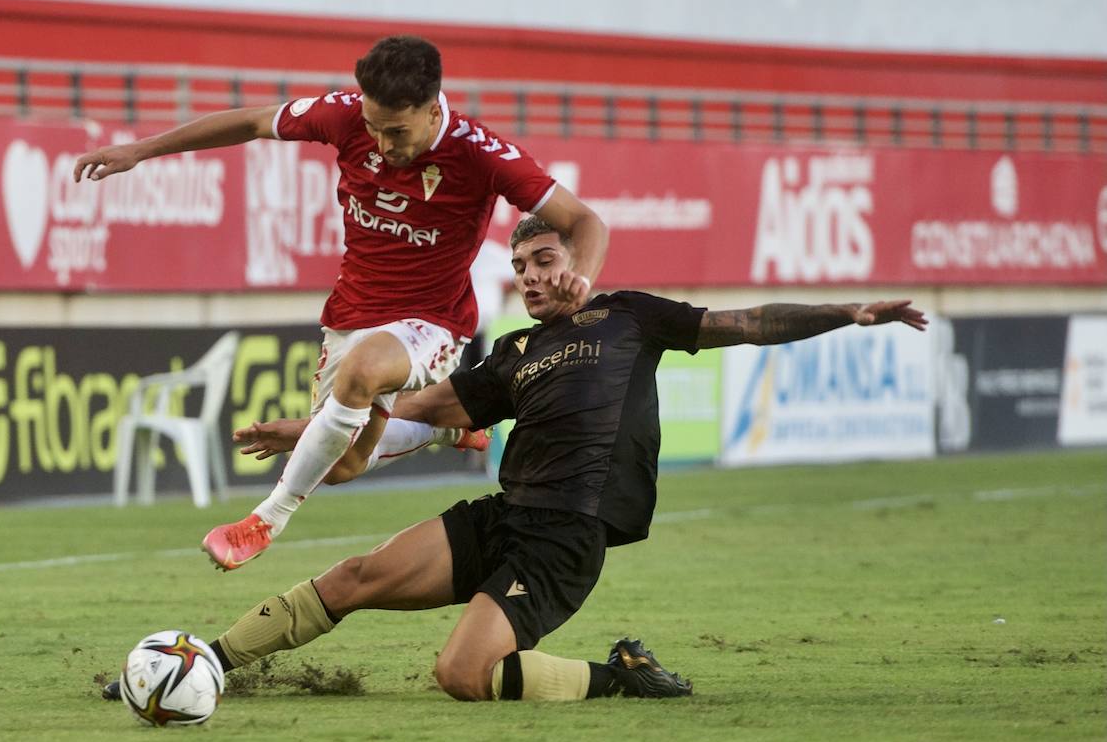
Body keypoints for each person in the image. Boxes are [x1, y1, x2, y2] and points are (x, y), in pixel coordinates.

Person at [144, 215, 928, 705]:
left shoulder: (629, 317)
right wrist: (311, 427)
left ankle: (620, 675)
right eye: (521, 269)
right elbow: (418, 409)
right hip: (505, 516)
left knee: (460, 675)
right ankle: (207, 665)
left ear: (573, 259)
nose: (533, 278)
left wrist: (849, 314)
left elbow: (747, 321)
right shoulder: (515, 354)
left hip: (565, 536)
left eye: (545, 260)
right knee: (353, 577)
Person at [73, 36, 608, 571]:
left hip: (433, 320)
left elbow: (586, 222)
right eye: (373, 126)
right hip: (351, 312)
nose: (381, 143)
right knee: (341, 464)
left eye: (396, 131)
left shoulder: (480, 152)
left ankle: (263, 520)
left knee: (365, 368)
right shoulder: (345, 114)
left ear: (431, 109)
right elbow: (253, 122)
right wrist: (139, 150)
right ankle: (443, 427)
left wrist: (579, 277)